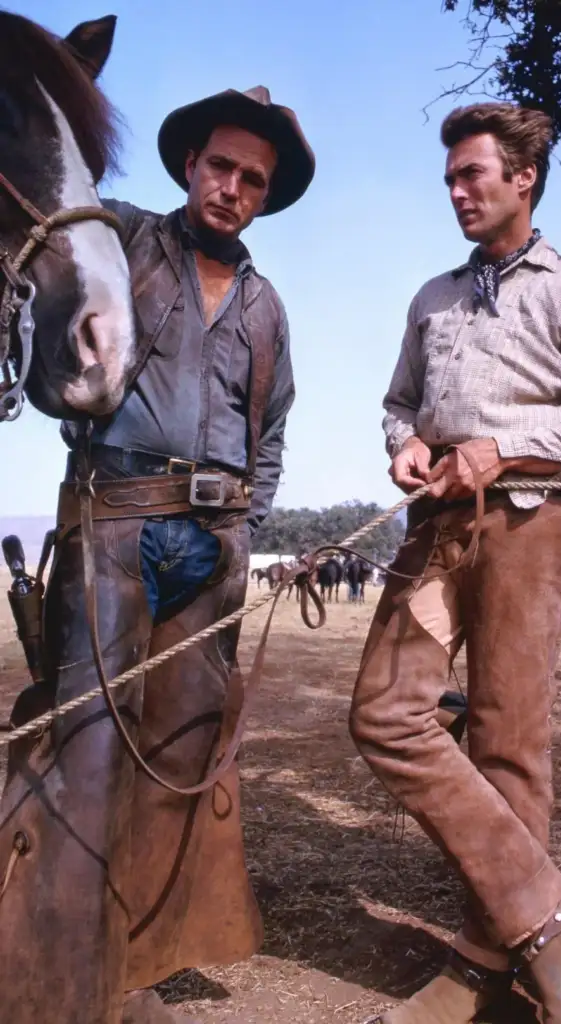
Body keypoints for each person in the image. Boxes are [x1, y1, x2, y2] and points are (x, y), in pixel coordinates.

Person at [0, 85, 314, 1024]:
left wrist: (245, 531)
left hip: (211, 549)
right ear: (189, 167)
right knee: (89, 753)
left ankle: (129, 971)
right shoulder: (126, 239)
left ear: (264, 196)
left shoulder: (267, 307)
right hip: (115, 525)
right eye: (220, 167)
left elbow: (274, 434)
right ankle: (51, 985)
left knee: (179, 753)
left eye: (252, 179)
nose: (232, 188)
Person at [349, 102, 561, 1024]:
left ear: (524, 178)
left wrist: (504, 448)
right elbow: (400, 402)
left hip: (532, 527)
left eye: (471, 174)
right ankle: (551, 914)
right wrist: (404, 444)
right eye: (449, 177)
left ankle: (479, 973)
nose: (456, 191)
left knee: (506, 740)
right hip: (434, 527)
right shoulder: (432, 296)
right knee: (384, 714)